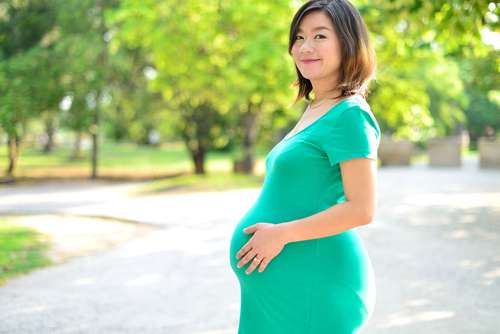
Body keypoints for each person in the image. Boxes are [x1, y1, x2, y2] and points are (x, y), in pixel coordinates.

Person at [229, 0, 380, 333]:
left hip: (317, 284)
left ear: (348, 42)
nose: (305, 47)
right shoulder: (317, 109)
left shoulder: (349, 114)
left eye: (320, 36)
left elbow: (362, 209)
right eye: (299, 37)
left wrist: (281, 234)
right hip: (287, 289)